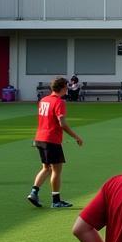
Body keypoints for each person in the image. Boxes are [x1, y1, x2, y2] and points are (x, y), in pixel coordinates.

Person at [29, 76, 83, 209]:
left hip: (40, 138)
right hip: (51, 139)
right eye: (67, 87)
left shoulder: (43, 100)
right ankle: (56, 200)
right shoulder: (59, 102)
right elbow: (62, 123)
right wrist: (76, 136)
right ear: (63, 88)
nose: (68, 89)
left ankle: (34, 192)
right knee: (56, 170)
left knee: (46, 168)